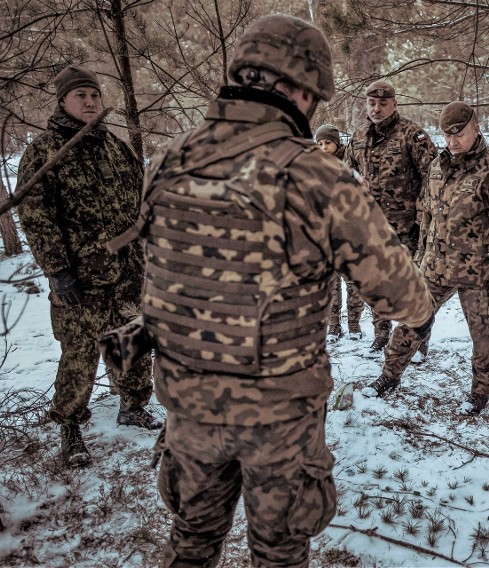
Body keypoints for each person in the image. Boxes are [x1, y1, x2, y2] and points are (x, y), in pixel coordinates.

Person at [120, 15, 433, 567]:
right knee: (280, 555)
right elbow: (404, 299)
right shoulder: (317, 175)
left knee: (190, 545)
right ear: (296, 89)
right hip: (279, 422)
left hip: (189, 408)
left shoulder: (168, 161)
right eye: (311, 97)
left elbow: (158, 271)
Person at [16, 65, 161, 469]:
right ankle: (70, 426)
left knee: (131, 337)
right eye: (81, 96)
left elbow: (140, 202)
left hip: (127, 271)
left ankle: (132, 404)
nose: (90, 102)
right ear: (63, 100)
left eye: (94, 95)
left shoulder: (115, 147)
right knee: (79, 352)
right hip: (80, 276)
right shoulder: (45, 152)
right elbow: (35, 216)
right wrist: (58, 271)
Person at [363, 101, 489, 415]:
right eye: (447, 135)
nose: (453, 141)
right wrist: (421, 255)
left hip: (477, 270)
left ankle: (480, 391)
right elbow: (426, 213)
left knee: (482, 334)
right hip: (434, 265)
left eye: (459, 134)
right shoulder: (437, 166)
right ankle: (389, 375)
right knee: (411, 321)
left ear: (476, 127)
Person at [345, 80, 437, 352]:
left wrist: (424, 218)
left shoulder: (412, 134)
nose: (377, 109)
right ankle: (381, 335)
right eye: (372, 103)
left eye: (383, 104)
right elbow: (346, 173)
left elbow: (433, 176)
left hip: (407, 227)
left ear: (394, 104)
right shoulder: (359, 136)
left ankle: (417, 339)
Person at [314, 123, 365, 340]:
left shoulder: (350, 163)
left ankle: (354, 324)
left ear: (337, 143)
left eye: (328, 143)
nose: (324, 147)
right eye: (320, 143)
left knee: (353, 281)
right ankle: (334, 324)